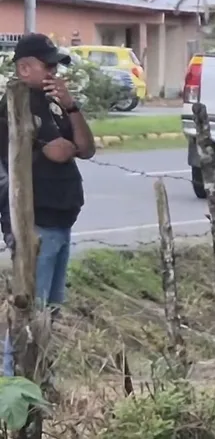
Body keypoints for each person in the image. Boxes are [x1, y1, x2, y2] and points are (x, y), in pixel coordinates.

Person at [0, 33, 96, 376]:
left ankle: (38, 374)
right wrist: (52, 150)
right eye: (48, 65)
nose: (55, 71)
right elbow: (51, 152)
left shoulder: (54, 102)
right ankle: (13, 379)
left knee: (50, 308)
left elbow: (84, 147)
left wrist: (71, 105)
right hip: (34, 222)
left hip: (62, 218)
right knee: (29, 306)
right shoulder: (16, 104)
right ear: (25, 68)